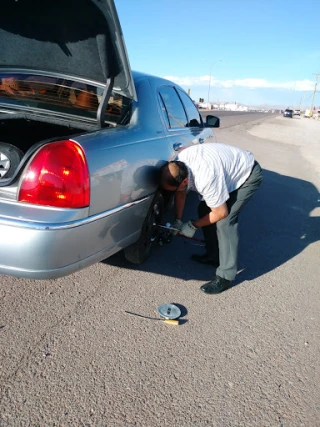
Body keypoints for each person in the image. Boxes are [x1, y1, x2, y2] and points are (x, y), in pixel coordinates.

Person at [159, 142, 263, 294]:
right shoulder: (179, 164)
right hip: (226, 169)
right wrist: (178, 220)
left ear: (185, 181)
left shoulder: (205, 177)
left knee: (225, 222)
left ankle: (226, 276)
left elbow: (221, 212)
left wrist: (193, 225)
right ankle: (214, 255)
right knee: (203, 209)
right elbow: (180, 192)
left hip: (247, 174)